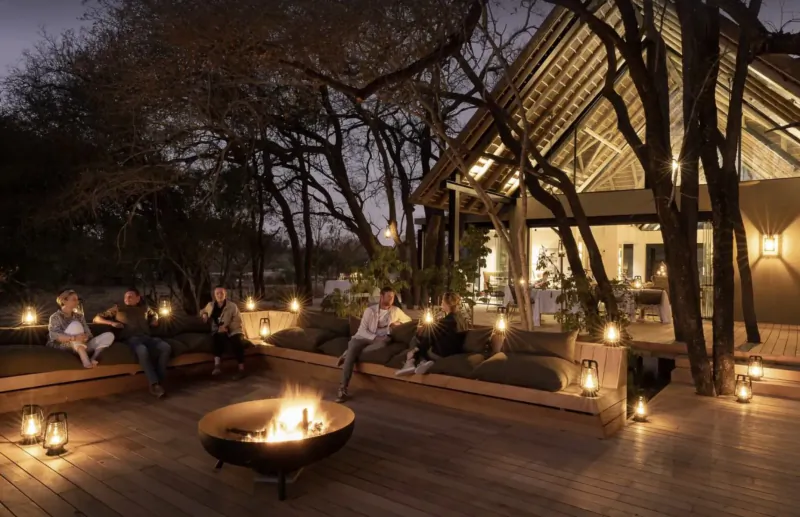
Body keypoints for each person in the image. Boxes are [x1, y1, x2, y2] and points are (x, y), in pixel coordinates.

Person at [335, 286, 410, 402]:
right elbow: (363, 329)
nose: (391, 299)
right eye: (389, 296)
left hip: (380, 341)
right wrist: (376, 337)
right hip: (362, 337)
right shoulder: (370, 311)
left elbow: (408, 320)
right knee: (354, 347)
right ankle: (342, 388)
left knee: (385, 343)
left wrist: (398, 323)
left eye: (393, 297)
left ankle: (348, 353)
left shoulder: (396, 311)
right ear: (381, 297)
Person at [94, 288, 171, 398]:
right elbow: (96, 318)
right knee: (142, 350)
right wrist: (111, 323)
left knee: (166, 347)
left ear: (138, 298)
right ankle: (154, 385)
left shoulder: (144, 308)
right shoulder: (118, 308)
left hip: (147, 337)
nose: (127, 299)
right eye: (125, 296)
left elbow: (154, 314)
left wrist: (155, 319)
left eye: (130, 296)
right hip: (131, 338)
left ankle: (159, 380)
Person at [395, 292, 468, 376]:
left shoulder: (447, 321)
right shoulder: (462, 319)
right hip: (456, 350)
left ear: (446, 304)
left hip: (441, 353)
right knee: (424, 337)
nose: (441, 304)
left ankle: (410, 362)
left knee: (418, 338)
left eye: (442, 302)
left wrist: (415, 349)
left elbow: (431, 337)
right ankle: (422, 362)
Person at [47, 289, 115, 368]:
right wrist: (74, 338)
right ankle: (85, 359)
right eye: (74, 299)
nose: (77, 301)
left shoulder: (79, 316)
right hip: (64, 345)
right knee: (75, 324)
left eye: (77, 299)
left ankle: (93, 358)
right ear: (64, 301)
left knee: (109, 335)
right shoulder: (55, 317)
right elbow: (54, 336)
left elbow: (88, 334)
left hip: (83, 344)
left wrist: (85, 337)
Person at [200, 286, 246, 380]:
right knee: (216, 338)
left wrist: (227, 328)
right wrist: (204, 314)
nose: (220, 295)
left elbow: (237, 321)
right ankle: (217, 366)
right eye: (217, 293)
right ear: (214, 295)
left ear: (225, 294)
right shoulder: (211, 305)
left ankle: (241, 369)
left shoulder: (232, 306)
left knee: (237, 342)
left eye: (221, 293)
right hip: (217, 330)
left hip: (233, 330)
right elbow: (203, 311)